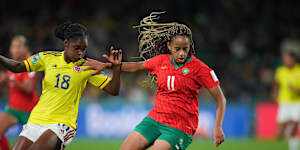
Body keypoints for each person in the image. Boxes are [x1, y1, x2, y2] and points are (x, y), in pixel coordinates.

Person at [84, 12, 226, 150]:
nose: (182, 53)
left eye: (185, 49)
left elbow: (221, 100)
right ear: (169, 46)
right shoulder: (161, 61)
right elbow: (135, 66)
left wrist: (218, 127)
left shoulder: (200, 68)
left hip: (180, 126)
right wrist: (108, 65)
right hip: (156, 119)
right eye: (178, 49)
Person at [0, 22, 122, 150]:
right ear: (66, 44)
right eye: (77, 48)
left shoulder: (87, 67)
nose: (81, 52)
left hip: (62, 124)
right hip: (37, 119)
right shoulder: (47, 58)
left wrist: (117, 69)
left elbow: (113, 90)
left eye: (84, 49)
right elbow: (18, 67)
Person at [0, 35, 39, 150]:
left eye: (18, 46)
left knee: (37, 144)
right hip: (13, 108)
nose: (15, 49)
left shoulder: (31, 64)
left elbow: (28, 88)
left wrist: (11, 78)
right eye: (13, 46)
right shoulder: (11, 63)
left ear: (25, 48)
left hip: (31, 111)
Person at [270, 39, 300, 150]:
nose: (285, 60)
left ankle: (293, 147)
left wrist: (296, 90)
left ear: (293, 59)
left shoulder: (299, 71)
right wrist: (274, 93)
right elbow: (276, 84)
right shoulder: (280, 71)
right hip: (284, 103)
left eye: (287, 58)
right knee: (279, 134)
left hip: (297, 103)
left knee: (294, 128)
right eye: (284, 58)